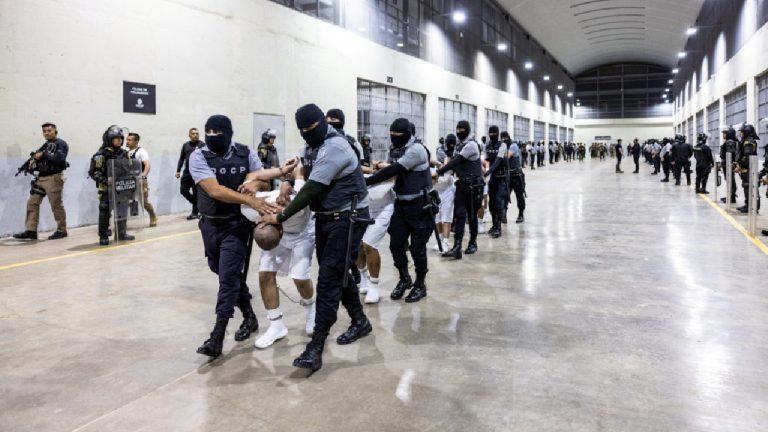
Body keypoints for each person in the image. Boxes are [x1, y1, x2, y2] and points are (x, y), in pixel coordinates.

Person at [260, 103, 371, 372]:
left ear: (323, 122)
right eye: (304, 130)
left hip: (347, 216)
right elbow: (303, 172)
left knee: (329, 278)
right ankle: (360, 321)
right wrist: (286, 182)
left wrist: (281, 217)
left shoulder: (335, 145)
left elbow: (312, 188)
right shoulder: (311, 146)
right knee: (337, 271)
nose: (309, 132)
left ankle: (316, 345)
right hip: (326, 217)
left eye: (312, 127)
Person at [189, 114, 296, 358]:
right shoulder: (198, 156)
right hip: (209, 225)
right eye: (209, 133)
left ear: (229, 133)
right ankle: (249, 316)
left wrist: (254, 187)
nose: (213, 137)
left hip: (236, 225)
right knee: (219, 269)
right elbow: (214, 189)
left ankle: (217, 335)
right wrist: (248, 198)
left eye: (218, 133)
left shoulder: (245, 152)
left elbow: (260, 181)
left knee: (227, 278)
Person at [366, 118, 433, 302]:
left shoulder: (417, 150)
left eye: (397, 135)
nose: (393, 138)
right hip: (401, 205)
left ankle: (420, 285)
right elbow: (390, 168)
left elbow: (394, 169)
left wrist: (367, 181)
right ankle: (405, 278)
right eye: (391, 135)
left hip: (420, 207)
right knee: (396, 245)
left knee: (417, 248)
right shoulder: (396, 149)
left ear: (408, 135)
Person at [250, 172, 317, 349]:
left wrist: (286, 181)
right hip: (279, 229)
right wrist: (254, 188)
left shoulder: (298, 207)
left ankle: (311, 310)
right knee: (264, 275)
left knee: (300, 277)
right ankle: (276, 326)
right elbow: (253, 183)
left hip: (303, 233)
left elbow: (300, 173)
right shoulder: (256, 210)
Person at [13, 122, 69, 240]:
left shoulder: (61, 144)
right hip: (41, 178)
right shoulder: (45, 145)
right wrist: (30, 165)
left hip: (53, 178)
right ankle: (31, 230)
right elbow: (37, 160)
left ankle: (62, 230)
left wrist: (43, 156)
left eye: (49, 130)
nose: (46, 133)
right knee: (32, 203)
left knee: (56, 205)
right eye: (44, 131)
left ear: (55, 131)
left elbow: (60, 159)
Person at [437, 120, 483, 259]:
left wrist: (441, 171)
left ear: (467, 131)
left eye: (462, 129)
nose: (459, 131)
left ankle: (472, 243)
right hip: (462, 184)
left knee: (472, 216)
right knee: (459, 215)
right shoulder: (458, 145)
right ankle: (457, 247)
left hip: (474, 186)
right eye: (457, 129)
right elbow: (452, 159)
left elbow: (457, 161)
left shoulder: (471, 145)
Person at [88, 125, 134, 245]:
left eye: (120, 138)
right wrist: (105, 180)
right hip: (107, 189)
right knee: (105, 212)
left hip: (122, 188)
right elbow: (94, 172)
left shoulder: (125, 153)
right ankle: (103, 236)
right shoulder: (101, 154)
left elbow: (130, 169)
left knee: (122, 210)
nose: (119, 140)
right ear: (109, 139)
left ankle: (121, 233)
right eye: (116, 138)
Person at [125, 133, 158, 227]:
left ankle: (153, 216)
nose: (127, 141)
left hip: (139, 180)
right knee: (125, 201)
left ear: (136, 141)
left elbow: (147, 164)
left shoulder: (142, 151)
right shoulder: (125, 151)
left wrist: (143, 176)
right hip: (128, 181)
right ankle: (122, 222)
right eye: (127, 139)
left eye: (130, 140)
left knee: (144, 201)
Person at [483, 126, 508, 238]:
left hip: (501, 177)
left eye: (494, 133)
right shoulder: (487, 145)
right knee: (492, 203)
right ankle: (494, 225)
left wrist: (488, 171)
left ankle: (498, 227)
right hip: (492, 178)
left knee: (498, 202)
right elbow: (486, 160)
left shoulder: (502, 145)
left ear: (497, 134)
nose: (492, 135)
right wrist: (485, 170)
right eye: (490, 133)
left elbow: (498, 161)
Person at [433, 134, 456, 251]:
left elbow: (450, 166)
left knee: (446, 215)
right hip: (437, 189)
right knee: (437, 216)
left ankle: (446, 242)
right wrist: (440, 163)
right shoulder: (440, 150)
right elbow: (441, 162)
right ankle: (440, 240)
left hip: (448, 188)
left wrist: (448, 161)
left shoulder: (456, 151)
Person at [176, 128, 204, 220]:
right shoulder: (185, 145)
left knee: (196, 193)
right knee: (183, 190)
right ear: (189, 135)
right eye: (193, 133)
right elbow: (181, 158)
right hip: (187, 173)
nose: (195, 135)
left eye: (197, 133)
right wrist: (178, 170)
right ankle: (198, 206)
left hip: (198, 173)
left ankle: (195, 213)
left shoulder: (202, 145)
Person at [735, 123, 760, 213]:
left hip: (749, 169)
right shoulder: (746, 141)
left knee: (749, 186)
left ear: (747, 132)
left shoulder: (748, 142)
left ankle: (752, 206)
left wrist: (740, 165)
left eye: (742, 133)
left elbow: (747, 157)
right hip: (747, 168)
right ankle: (748, 204)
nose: (741, 135)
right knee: (746, 186)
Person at [506, 137, 526, 224]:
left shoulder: (513, 146)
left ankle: (521, 214)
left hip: (517, 176)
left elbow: (507, 156)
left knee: (519, 196)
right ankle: (503, 215)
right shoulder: (504, 146)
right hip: (508, 176)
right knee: (505, 196)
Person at [720, 126, 739, 204]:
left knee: (730, 180)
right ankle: (731, 196)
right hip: (728, 164)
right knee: (730, 180)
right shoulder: (730, 141)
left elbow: (729, 155)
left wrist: (728, 164)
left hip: (729, 165)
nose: (723, 135)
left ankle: (731, 197)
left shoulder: (730, 142)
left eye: (724, 133)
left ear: (729, 134)